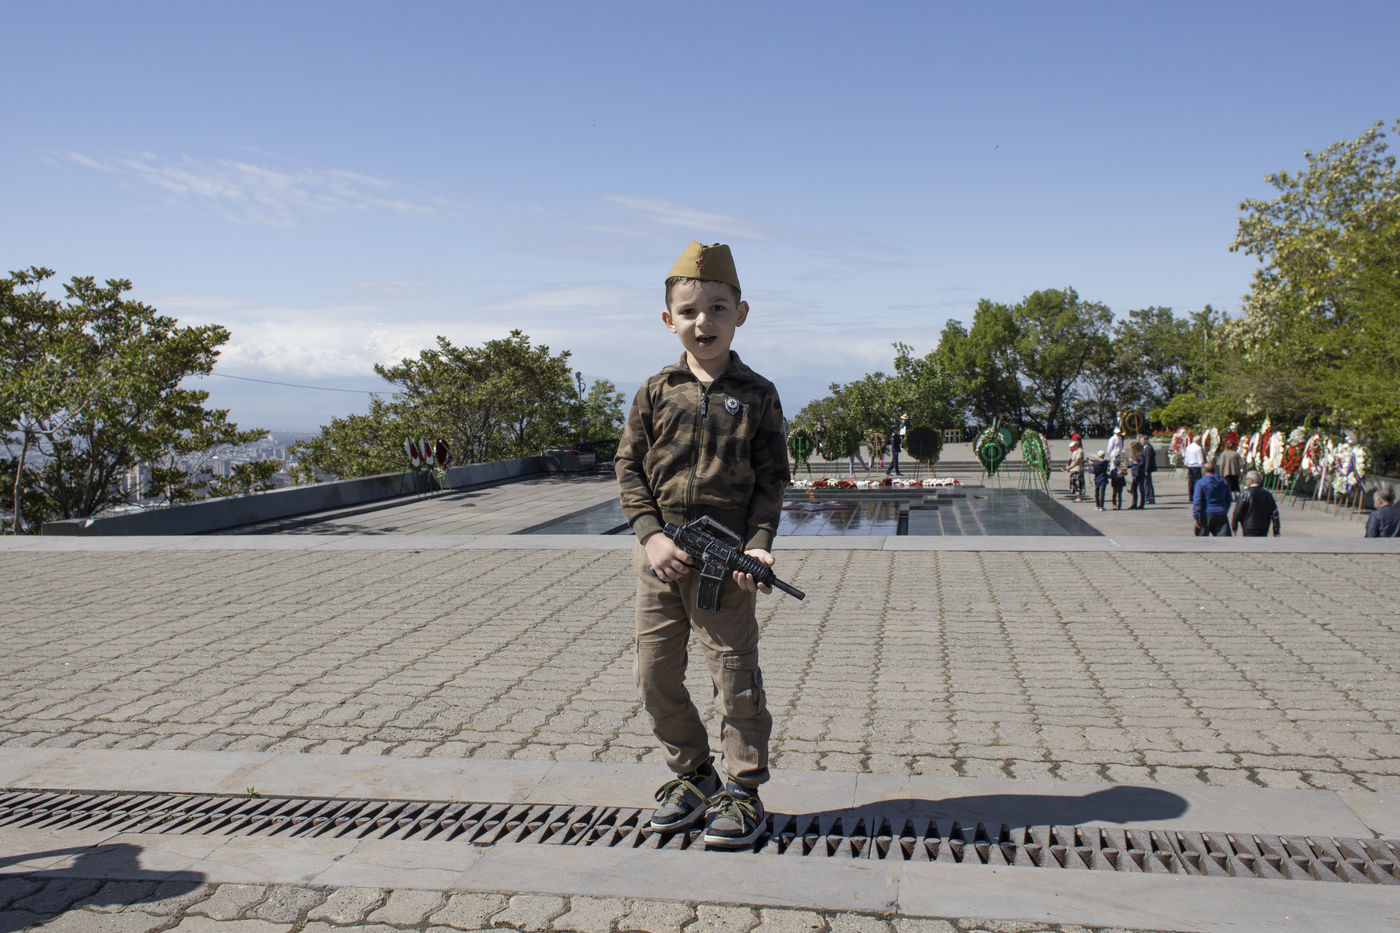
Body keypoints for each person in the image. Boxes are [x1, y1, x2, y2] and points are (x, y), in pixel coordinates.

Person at [614, 241, 789, 849]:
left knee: (734, 677)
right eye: (689, 311)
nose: (703, 322)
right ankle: (692, 774)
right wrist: (650, 536)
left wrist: (759, 545)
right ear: (669, 320)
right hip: (659, 558)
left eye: (717, 308)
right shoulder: (655, 390)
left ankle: (742, 789)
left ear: (741, 313)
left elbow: (772, 477)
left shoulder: (758, 393)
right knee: (653, 675)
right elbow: (628, 467)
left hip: (727, 562)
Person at [1231, 470, 1281, 537]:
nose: (1246, 481)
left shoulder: (1244, 494)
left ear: (1251, 480)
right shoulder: (1267, 494)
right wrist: (1276, 530)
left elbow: (1237, 511)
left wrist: (1234, 525)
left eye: (1247, 479)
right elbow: (1274, 513)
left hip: (1248, 527)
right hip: (1264, 527)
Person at [1192, 461, 1232, 536]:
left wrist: (1196, 516)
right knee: (1224, 540)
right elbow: (1229, 498)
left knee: (1201, 539)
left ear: (1203, 471)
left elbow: (1197, 500)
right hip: (1221, 513)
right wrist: (1224, 509)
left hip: (1206, 513)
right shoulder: (1223, 482)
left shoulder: (1201, 483)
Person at [1183, 432, 1204, 501]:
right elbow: (1200, 458)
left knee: (1191, 481)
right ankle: (1197, 495)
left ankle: (1191, 495)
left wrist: (1186, 463)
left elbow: (1186, 456)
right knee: (1197, 481)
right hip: (1197, 465)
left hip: (1190, 465)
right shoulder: (1198, 448)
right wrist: (1202, 465)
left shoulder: (1188, 447)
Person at [1066, 437, 1085, 501]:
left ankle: (1079, 497)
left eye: (1073, 446)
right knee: (1075, 483)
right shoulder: (1075, 451)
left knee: (1078, 483)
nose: (1072, 447)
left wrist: (1070, 467)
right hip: (1074, 469)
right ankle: (1078, 496)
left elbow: (1077, 461)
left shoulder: (1079, 451)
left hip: (1077, 469)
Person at [1140, 433, 1158, 504]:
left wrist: (1146, 470)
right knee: (1148, 483)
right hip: (1146, 468)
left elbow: (1148, 460)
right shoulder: (1145, 447)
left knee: (1147, 483)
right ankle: (1150, 497)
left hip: (1147, 469)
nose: (1141, 442)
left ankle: (1149, 497)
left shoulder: (1148, 448)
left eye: (1142, 440)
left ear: (1146, 440)